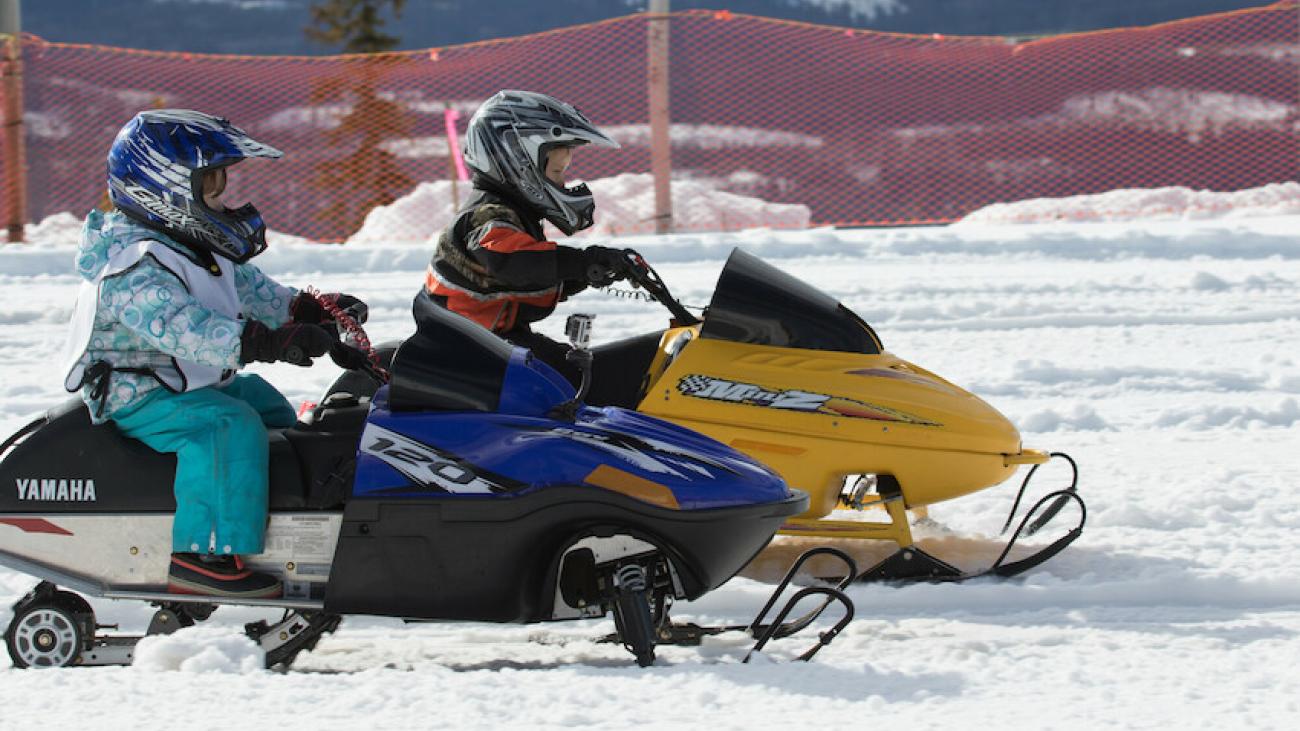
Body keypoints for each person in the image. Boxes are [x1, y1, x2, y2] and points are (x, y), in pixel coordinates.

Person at [61, 109, 366, 598]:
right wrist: (263, 343)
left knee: (272, 410)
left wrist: (310, 311)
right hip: (138, 392)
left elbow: (255, 293)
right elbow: (183, 329)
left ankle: (280, 521)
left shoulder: (194, 245)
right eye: (211, 187)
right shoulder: (134, 266)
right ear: (164, 189)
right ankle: (204, 553)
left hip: (182, 381)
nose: (222, 198)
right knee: (227, 427)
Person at [415, 90, 629, 383]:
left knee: (592, 371)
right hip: (471, 351)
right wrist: (581, 261)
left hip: (488, 342)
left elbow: (521, 281)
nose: (563, 177)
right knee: (585, 381)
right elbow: (512, 263)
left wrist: (591, 271)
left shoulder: (511, 212)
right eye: (557, 168)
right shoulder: (488, 214)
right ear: (517, 157)